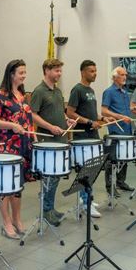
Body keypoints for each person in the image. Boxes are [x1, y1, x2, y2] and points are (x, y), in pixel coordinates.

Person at [0, 59, 35, 239]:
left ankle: (17, 219)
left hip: (23, 146)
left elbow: (28, 119)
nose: (24, 75)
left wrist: (32, 134)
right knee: (5, 186)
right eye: (21, 72)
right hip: (6, 146)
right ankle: (6, 222)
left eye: (25, 72)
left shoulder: (23, 95)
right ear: (11, 74)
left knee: (17, 186)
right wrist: (11, 126)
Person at [30, 58, 76, 226]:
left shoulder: (57, 91)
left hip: (60, 139)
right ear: (47, 71)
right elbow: (33, 115)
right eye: (56, 70)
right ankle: (46, 210)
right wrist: (50, 127)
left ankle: (50, 207)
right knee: (48, 176)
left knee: (56, 176)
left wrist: (66, 120)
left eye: (60, 70)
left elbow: (57, 111)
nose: (59, 74)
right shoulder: (39, 91)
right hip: (47, 140)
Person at [66, 60, 115, 218]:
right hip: (82, 137)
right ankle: (85, 202)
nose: (95, 73)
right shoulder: (77, 89)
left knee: (92, 169)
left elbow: (90, 112)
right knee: (85, 170)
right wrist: (89, 122)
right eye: (91, 71)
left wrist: (101, 118)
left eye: (95, 70)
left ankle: (86, 197)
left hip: (92, 136)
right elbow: (70, 113)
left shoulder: (91, 90)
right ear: (83, 72)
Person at [101, 67, 136, 195]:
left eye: (125, 74)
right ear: (114, 77)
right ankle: (110, 186)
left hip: (127, 130)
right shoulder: (109, 92)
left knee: (124, 157)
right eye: (122, 75)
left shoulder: (125, 92)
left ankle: (121, 182)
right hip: (116, 131)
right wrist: (120, 117)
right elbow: (104, 111)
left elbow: (126, 109)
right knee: (112, 160)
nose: (125, 77)